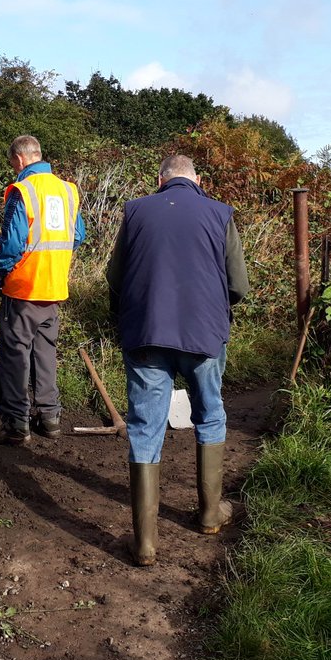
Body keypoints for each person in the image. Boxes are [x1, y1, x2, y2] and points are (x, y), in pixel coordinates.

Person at [104, 154, 249, 566]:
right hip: (204, 335)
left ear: (160, 179)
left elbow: (115, 278)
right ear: (197, 180)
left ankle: (145, 544)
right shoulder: (220, 213)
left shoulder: (135, 210)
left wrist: (127, 315)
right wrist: (217, 311)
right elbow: (237, 283)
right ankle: (209, 514)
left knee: (145, 426)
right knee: (210, 413)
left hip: (146, 333)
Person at [0, 135, 85, 445]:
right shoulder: (67, 190)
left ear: (19, 160)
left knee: (15, 355)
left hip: (23, 288)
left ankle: (16, 424)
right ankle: (50, 418)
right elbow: (78, 236)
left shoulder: (23, 190)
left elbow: (12, 243)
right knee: (45, 353)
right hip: (53, 288)